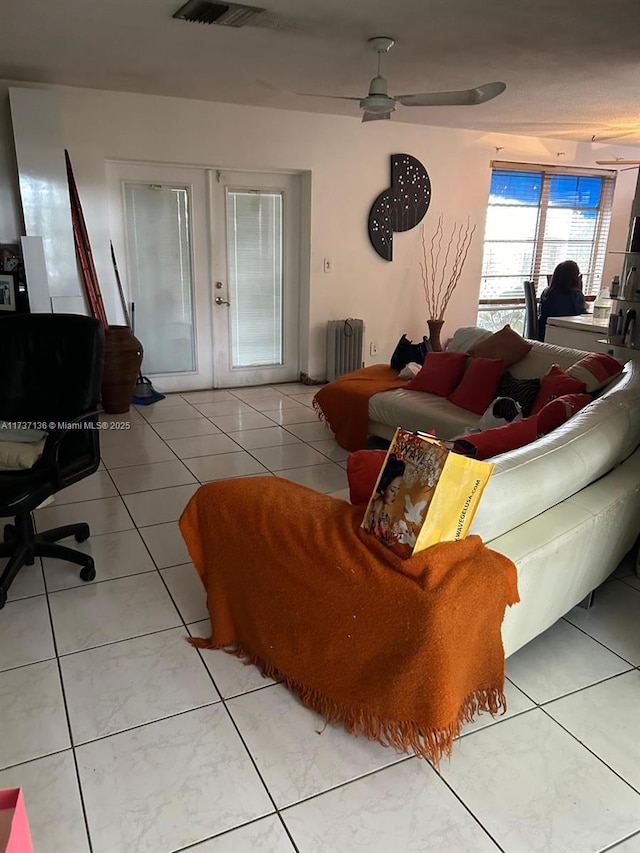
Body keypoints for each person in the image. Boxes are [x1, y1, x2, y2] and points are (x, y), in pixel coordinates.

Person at [537, 260, 586, 341]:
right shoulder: (575, 295)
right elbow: (580, 316)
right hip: (563, 335)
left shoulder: (547, 292)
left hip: (543, 333)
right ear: (575, 278)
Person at [363, 454, 406, 544]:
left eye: (398, 490)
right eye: (392, 490)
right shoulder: (369, 509)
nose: (395, 495)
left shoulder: (386, 519)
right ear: (383, 489)